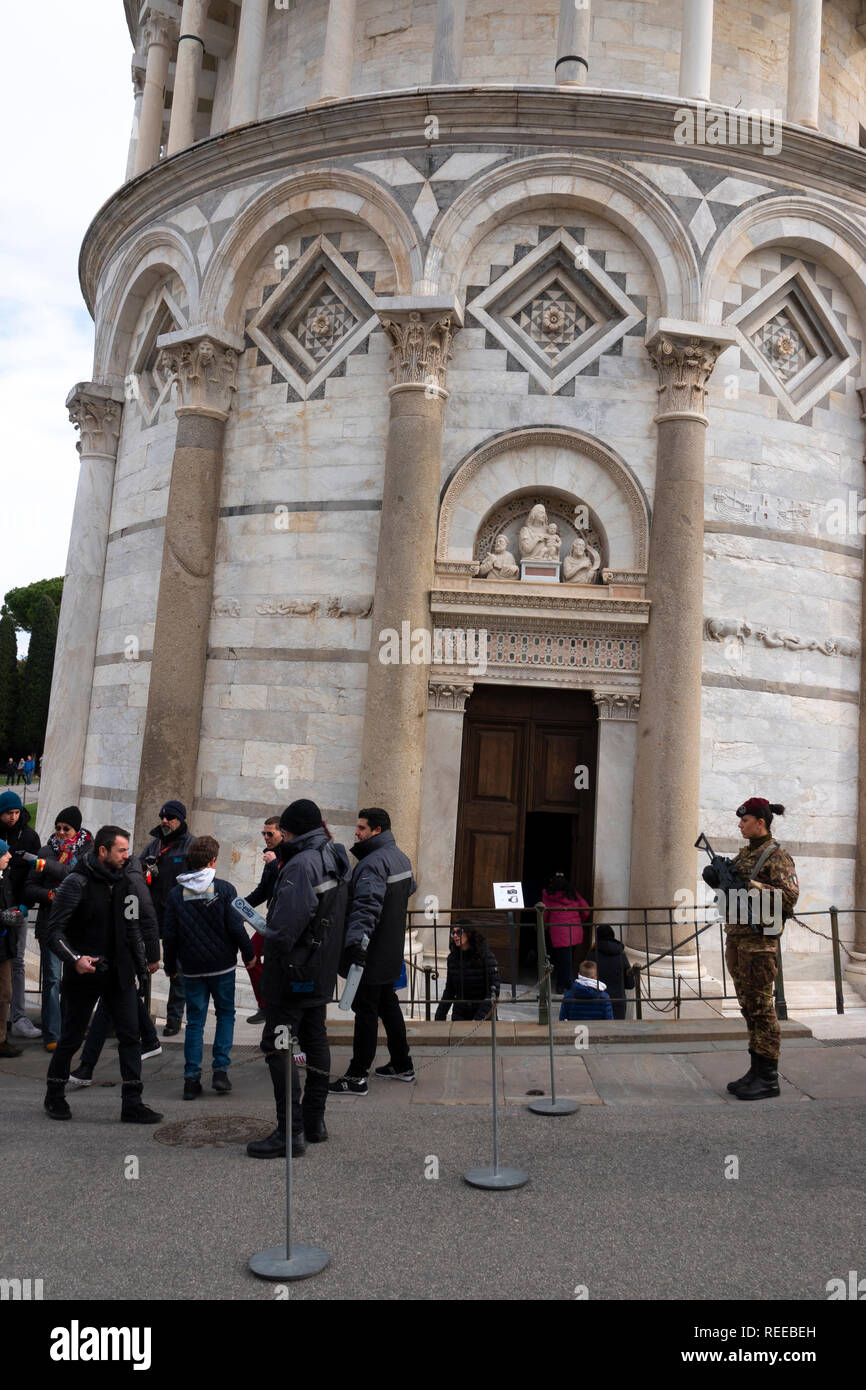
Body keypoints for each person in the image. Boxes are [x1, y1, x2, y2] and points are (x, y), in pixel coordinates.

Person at [247, 800, 350, 1159]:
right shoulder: (334, 854)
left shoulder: (301, 864)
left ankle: (289, 1133)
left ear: (290, 831)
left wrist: (269, 948)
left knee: (278, 1048)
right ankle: (314, 1122)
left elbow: (284, 928)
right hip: (319, 969)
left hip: (292, 972)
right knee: (315, 1039)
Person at [42, 825, 163, 1123]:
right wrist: (75, 959)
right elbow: (52, 931)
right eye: (121, 851)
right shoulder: (76, 883)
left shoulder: (125, 883)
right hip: (85, 972)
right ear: (103, 851)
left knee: (130, 1037)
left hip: (119, 972)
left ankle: (132, 1103)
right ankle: (54, 1095)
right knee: (71, 1037)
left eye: (128, 850)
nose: (127, 856)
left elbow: (132, 926)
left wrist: (143, 965)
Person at [702, 797, 799, 1101]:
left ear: (761, 821)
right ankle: (756, 1071)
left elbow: (788, 898)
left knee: (761, 1008)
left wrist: (751, 886)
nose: (740, 825)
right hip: (737, 937)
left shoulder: (776, 856)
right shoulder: (745, 855)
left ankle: (769, 1077)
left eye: (745, 820)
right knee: (747, 1005)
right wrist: (717, 883)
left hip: (759, 942)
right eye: (740, 820)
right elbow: (733, 895)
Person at [329, 807, 417, 1096]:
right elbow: (409, 889)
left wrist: (356, 945)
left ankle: (357, 1076)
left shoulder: (371, 864)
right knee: (388, 1006)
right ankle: (402, 1064)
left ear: (376, 830)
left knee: (365, 1012)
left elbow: (366, 908)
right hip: (390, 950)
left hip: (372, 952)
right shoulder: (400, 857)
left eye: (362, 828)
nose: (357, 832)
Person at [162, 835, 256, 1099]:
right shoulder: (225, 890)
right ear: (213, 860)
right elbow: (236, 927)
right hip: (222, 965)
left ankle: (191, 1080)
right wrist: (249, 954)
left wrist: (170, 966)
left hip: (191, 967)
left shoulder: (175, 893)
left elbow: (169, 935)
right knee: (225, 1014)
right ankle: (220, 1072)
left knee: (194, 1021)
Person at [67, 853, 162, 1087]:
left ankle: (88, 1066)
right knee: (117, 1005)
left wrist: (151, 957)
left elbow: (145, 916)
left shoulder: (130, 878)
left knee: (107, 1012)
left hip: (122, 957)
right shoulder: (114, 877)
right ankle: (149, 1039)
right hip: (115, 957)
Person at [25, 807, 94, 1051]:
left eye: (67, 829)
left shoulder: (87, 852)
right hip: (50, 925)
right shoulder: (45, 851)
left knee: (75, 979)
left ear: (77, 830)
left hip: (77, 925)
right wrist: (49, 895)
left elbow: (74, 873)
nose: (61, 832)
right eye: (58, 828)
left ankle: (72, 1026)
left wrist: (46, 866)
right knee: (53, 979)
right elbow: (30, 888)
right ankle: (52, 1033)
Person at [139, 800, 195, 1036]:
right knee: (143, 963)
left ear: (180, 820)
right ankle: (140, 1014)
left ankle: (174, 1019)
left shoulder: (191, 846)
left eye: (170, 817)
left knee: (176, 970)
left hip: (179, 917)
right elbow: (137, 871)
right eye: (162, 816)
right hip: (152, 915)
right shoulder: (154, 846)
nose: (164, 820)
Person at [0, 790, 42, 1039]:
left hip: (18, 908)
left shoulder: (29, 837)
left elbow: (34, 874)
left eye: (16, 812)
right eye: (8, 813)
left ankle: (18, 1016)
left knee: (16, 961)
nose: (13, 817)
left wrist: (25, 905)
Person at [243, 816, 285, 1024]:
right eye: (264, 834)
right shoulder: (272, 858)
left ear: (282, 834)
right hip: (271, 919)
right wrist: (238, 905)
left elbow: (288, 884)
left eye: (271, 834)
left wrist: (275, 864)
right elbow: (263, 891)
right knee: (250, 954)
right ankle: (265, 1005)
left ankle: (273, 1008)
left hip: (286, 921)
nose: (266, 837)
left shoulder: (285, 856)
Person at [434, 919, 500, 1021]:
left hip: (483, 1015)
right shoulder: (452, 959)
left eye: (459, 932)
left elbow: (494, 992)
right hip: (460, 1013)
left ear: (468, 933)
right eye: (453, 933)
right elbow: (449, 991)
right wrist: (439, 1017)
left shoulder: (486, 956)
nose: (455, 935)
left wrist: (478, 1019)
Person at [542, 872, 591, 996]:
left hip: (558, 931)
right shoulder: (574, 895)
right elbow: (586, 910)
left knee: (563, 960)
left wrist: (544, 924)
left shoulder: (548, 896)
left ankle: (565, 985)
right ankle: (565, 984)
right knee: (567, 959)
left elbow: (544, 914)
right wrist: (579, 920)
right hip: (573, 930)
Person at [0, 840, 27, 1057]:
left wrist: (14, 913)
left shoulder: (5, 877)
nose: (9, 856)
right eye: (3, 853)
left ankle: (1, 1038)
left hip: (4, 947)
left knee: (5, 993)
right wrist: (5, 917)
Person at [586, 924, 634, 1021]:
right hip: (617, 1003)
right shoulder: (621, 955)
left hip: (596, 1002)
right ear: (612, 935)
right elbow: (630, 984)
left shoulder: (591, 956)